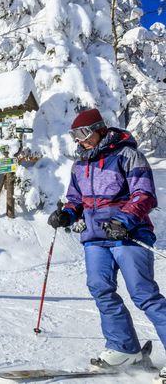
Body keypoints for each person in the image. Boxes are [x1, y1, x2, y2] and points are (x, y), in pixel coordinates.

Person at [48, 108, 166, 375]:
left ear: (99, 130)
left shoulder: (127, 155)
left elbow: (144, 195)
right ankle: (125, 349)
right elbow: (75, 200)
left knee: (144, 295)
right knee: (100, 289)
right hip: (95, 239)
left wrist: (123, 221)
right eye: (74, 135)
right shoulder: (81, 164)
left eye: (83, 133)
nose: (79, 140)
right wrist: (66, 215)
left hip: (129, 235)